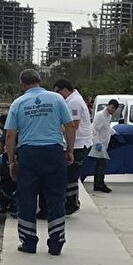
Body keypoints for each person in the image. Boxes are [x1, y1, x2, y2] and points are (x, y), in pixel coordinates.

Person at [5, 69, 75, 255]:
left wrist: (11, 161)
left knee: (26, 198)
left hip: (29, 154)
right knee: (56, 198)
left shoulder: (18, 103)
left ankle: (28, 242)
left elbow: (10, 134)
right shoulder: (57, 99)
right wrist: (69, 150)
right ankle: (56, 242)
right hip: (53, 151)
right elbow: (70, 126)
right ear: (40, 81)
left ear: (23, 84)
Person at [53, 78, 93, 214]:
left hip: (78, 144)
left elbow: (73, 126)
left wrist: (54, 130)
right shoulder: (72, 100)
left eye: (58, 92)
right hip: (78, 143)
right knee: (69, 175)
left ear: (64, 89)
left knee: (71, 176)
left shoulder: (74, 102)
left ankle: (71, 204)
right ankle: (70, 202)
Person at [89, 99, 118, 193]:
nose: (113, 110)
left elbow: (106, 128)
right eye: (112, 107)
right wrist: (97, 143)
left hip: (104, 144)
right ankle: (100, 184)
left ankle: (98, 184)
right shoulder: (100, 115)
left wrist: (114, 132)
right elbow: (94, 130)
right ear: (108, 105)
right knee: (101, 165)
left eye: (115, 109)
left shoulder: (108, 116)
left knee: (100, 165)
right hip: (99, 144)